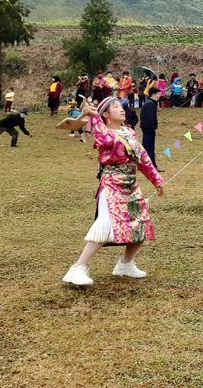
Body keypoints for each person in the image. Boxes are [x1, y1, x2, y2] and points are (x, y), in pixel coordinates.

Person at [61, 97, 165, 286]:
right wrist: (94, 118)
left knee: (140, 224)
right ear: (106, 115)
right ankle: (77, 268)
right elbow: (105, 142)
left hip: (131, 185)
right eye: (115, 107)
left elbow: (142, 157)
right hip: (111, 186)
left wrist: (156, 179)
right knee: (105, 225)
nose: (122, 109)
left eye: (121, 106)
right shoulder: (103, 133)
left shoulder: (129, 132)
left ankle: (125, 264)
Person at [139, 87, 162, 172]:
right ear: (153, 94)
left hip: (146, 128)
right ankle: (152, 165)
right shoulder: (150, 104)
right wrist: (152, 127)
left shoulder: (150, 103)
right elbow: (149, 118)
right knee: (149, 147)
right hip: (148, 129)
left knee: (144, 147)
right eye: (158, 94)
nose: (159, 96)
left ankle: (141, 164)